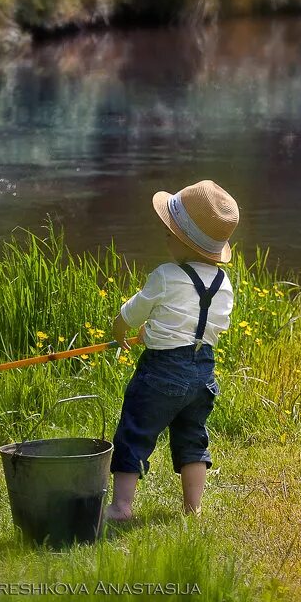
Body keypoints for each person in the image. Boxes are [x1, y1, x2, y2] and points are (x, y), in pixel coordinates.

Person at [105, 179, 239, 521]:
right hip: (203, 372)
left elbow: (134, 312)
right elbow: (213, 325)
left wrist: (120, 327)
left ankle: (121, 507)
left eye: (170, 233)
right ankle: (193, 509)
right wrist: (160, 330)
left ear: (185, 242)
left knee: (135, 430)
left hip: (161, 371)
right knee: (192, 437)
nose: (165, 237)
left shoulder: (166, 275)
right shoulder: (224, 283)